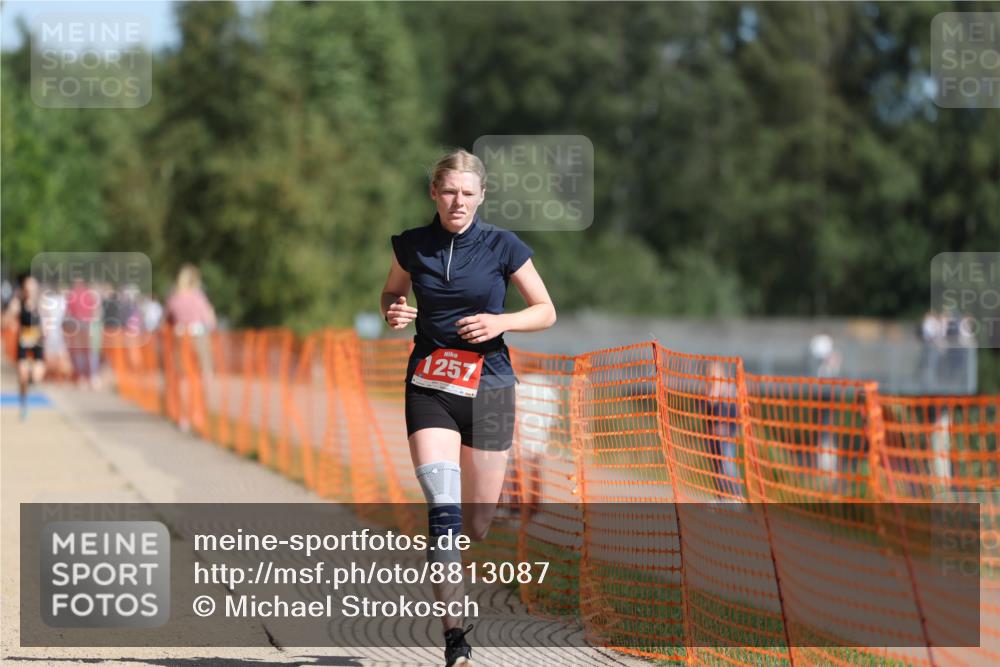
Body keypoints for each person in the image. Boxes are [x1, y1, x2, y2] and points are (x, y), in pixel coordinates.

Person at [381, 149, 556, 667]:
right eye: (448, 191)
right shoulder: (412, 245)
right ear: (433, 194)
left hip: (493, 390)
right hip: (429, 385)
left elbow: (546, 311)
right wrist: (392, 310)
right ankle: (455, 636)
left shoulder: (505, 245)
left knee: (476, 524)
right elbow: (391, 292)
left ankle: (456, 565)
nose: (457, 201)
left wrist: (500, 323)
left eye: (467, 193)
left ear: (481, 196)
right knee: (443, 508)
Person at [166, 265, 217, 432]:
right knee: (205, 373)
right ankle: (202, 414)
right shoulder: (199, 297)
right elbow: (210, 320)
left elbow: (168, 319)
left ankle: (184, 417)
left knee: (183, 378)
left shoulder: (174, 298)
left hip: (180, 338)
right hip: (199, 337)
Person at [2, 274, 47, 420]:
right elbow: (5, 321)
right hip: (23, 341)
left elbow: (48, 323)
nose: (30, 289)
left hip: (37, 343)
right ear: (24, 288)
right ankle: (23, 403)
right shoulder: (18, 302)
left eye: (32, 286)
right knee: (22, 376)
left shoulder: (41, 304)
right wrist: (9, 316)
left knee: (36, 376)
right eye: (27, 287)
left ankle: (30, 378)